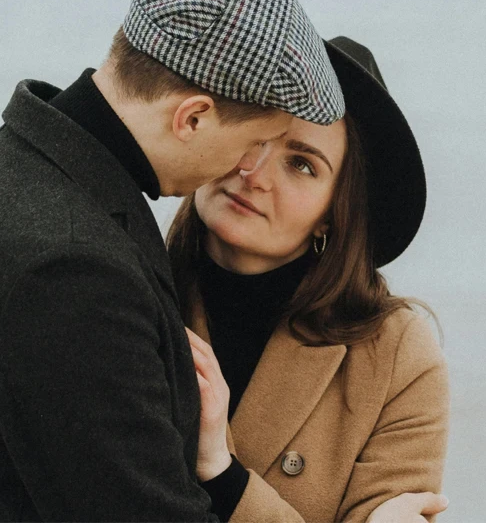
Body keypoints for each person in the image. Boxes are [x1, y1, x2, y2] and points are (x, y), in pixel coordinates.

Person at [0, 0, 349, 521]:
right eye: (253, 143)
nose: (245, 169)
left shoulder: (43, 172)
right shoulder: (69, 265)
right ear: (193, 116)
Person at [166, 37, 450, 522]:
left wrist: (221, 471)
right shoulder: (121, 288)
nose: (254, 172)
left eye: (301, 164)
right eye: (254, 134)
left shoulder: (396, 357)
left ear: (332, 215)